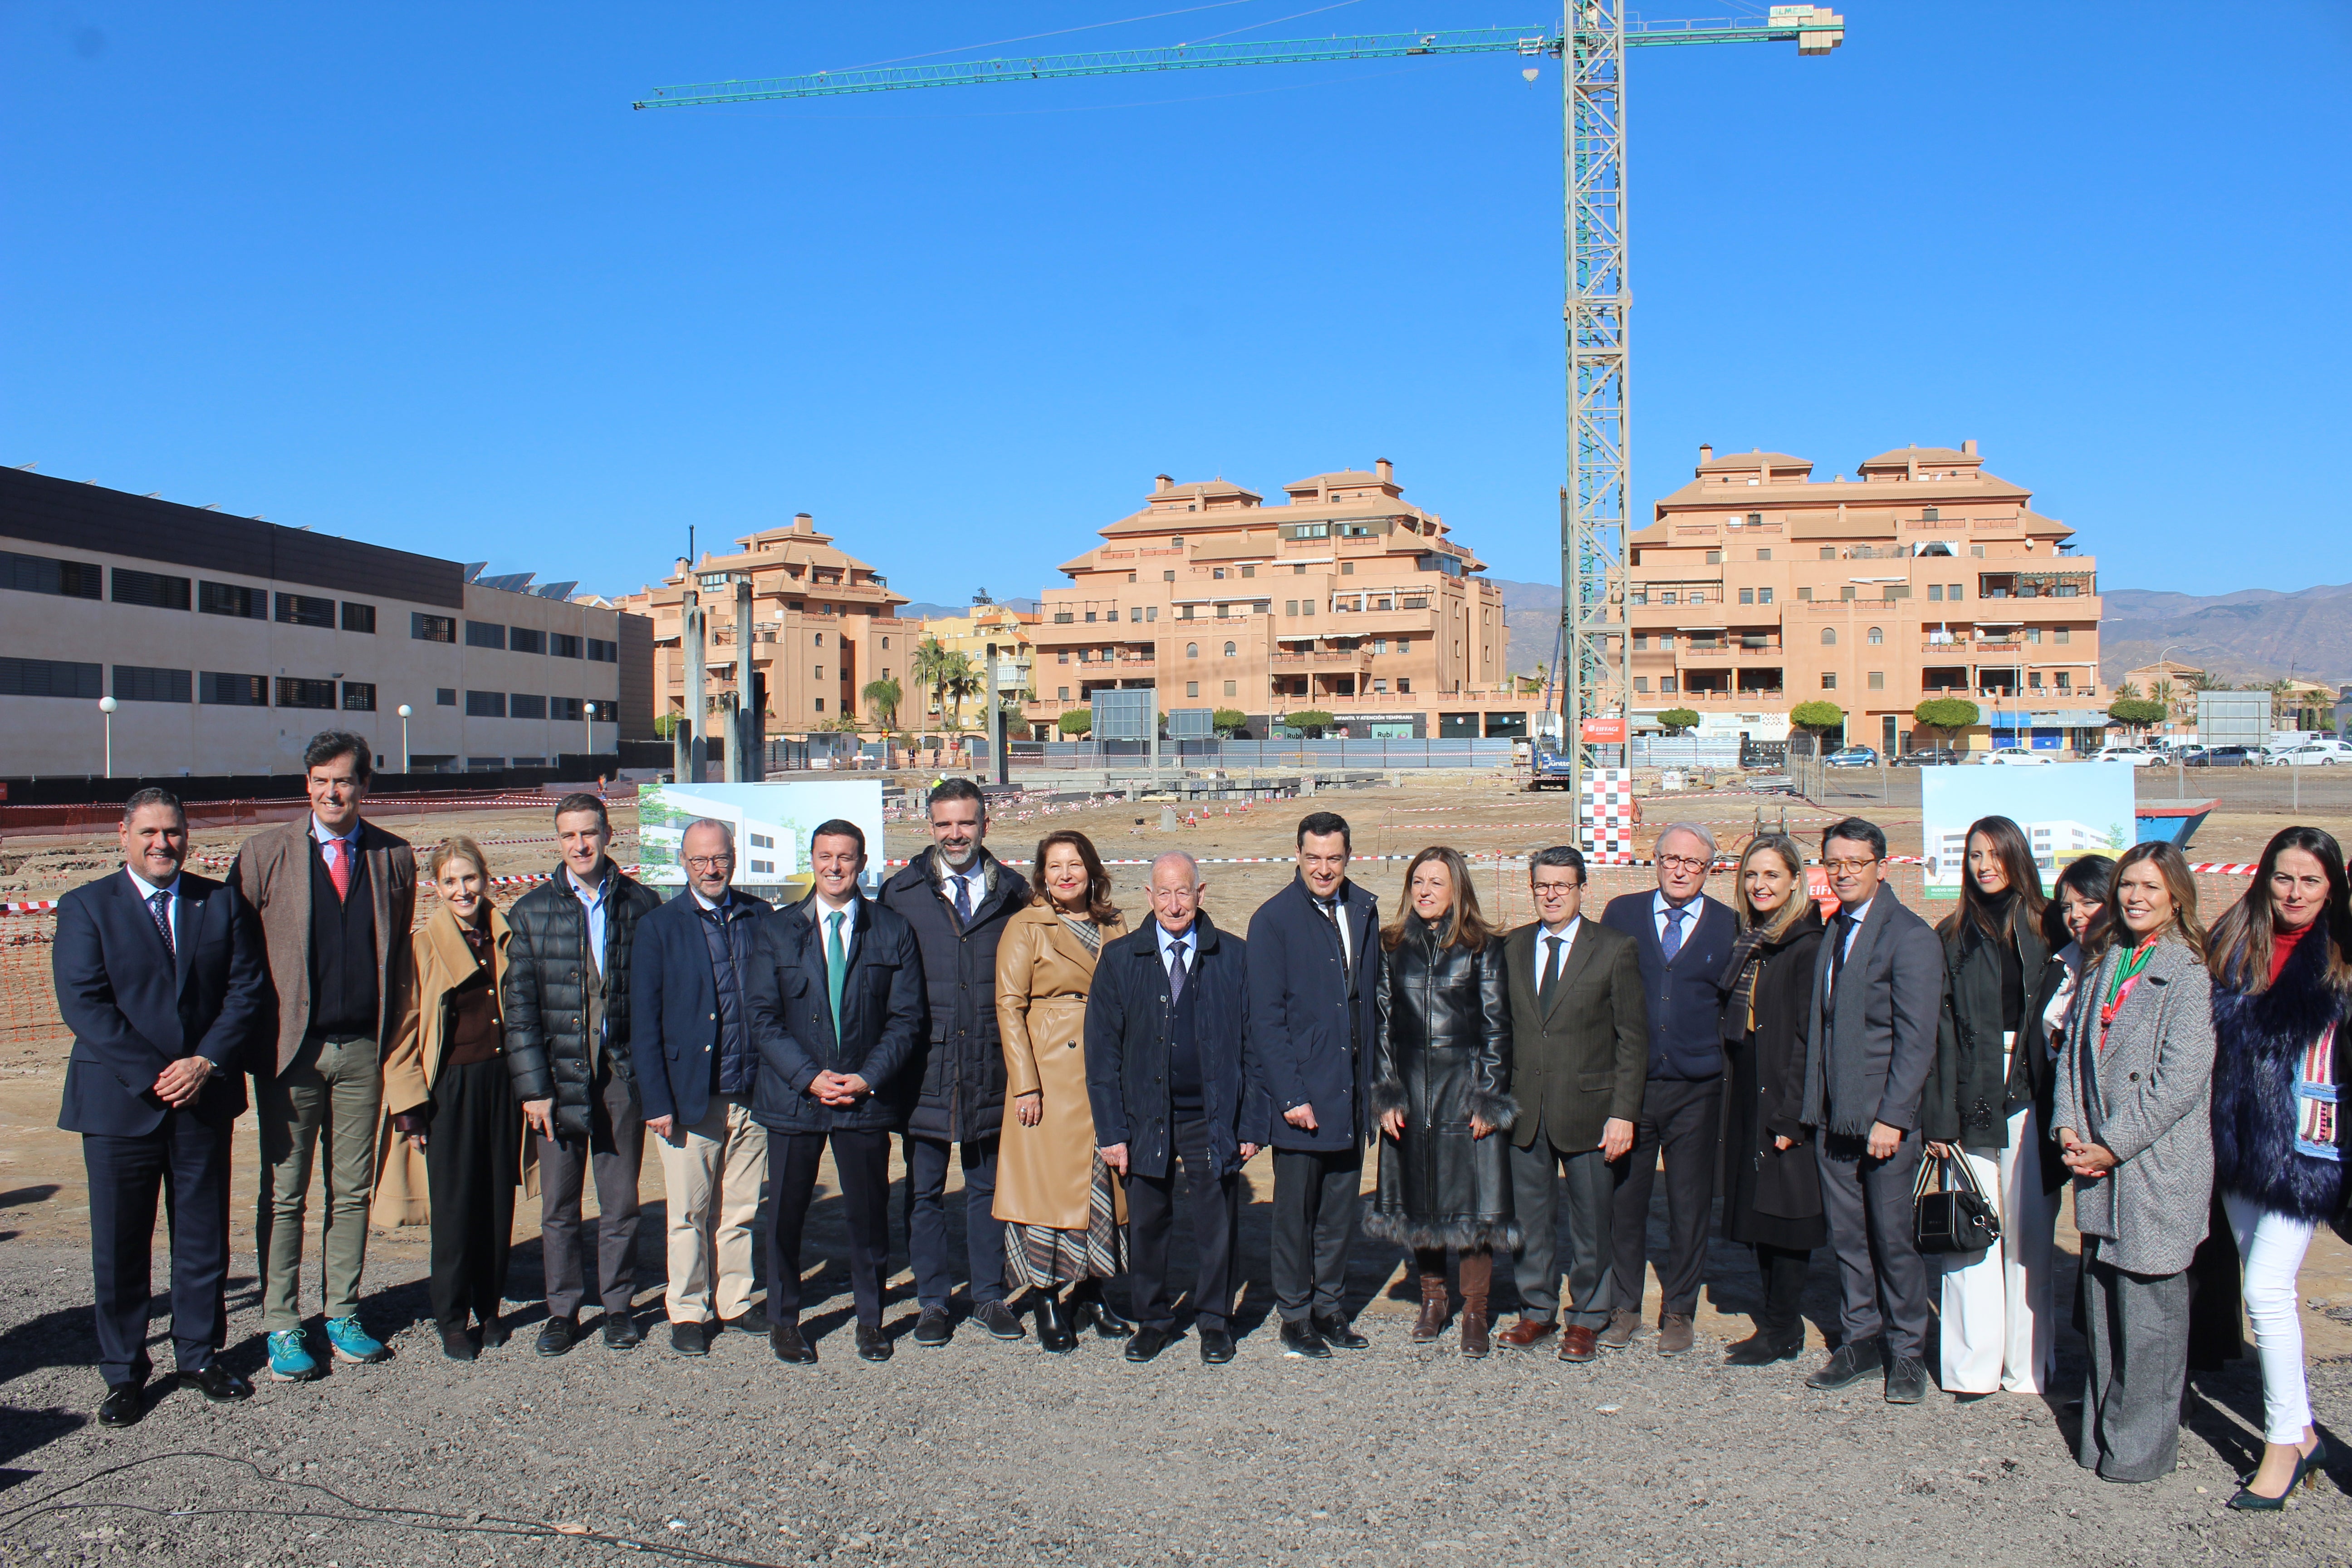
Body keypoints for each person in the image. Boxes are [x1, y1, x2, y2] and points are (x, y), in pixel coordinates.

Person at [57, 788, 267, 1426]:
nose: (162, 843)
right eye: (149, 832)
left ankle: (199, 1356)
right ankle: (124, 1372)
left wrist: (204, 1063)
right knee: (121, 1245)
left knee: (202, 1238)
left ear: (186, 837)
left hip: (202, 1096)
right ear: (123, 836)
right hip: (120, 1102)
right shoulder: (87, 906)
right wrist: (155, 1073)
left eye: (172, 832)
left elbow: (246, 989)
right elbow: (84, 1002)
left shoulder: (220, 902)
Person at [231, 730, 416, 1382]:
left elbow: (397, 952)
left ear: (365, 786)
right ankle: (282, 1322)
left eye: (343, 780)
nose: (332, 792)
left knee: (351, 1192)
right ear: (306, 785)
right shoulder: (264, 855)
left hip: (363, 1050)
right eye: (320, 781)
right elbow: (237, 954)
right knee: (285, 1195)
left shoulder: (394, 857)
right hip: (291, 1056)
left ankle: (343, 1312)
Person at [2052, 841, 2215, 1484]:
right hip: (2099, 1164)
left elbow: (2178, 1083)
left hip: (2153, 1168)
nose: (2136, 897)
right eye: (2128, 885)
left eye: (2151, 886)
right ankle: (2102, 1438)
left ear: (2176, 896)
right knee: (2104, 1312)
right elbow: (2073, 1052)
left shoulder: (2189, 974)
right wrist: (2069, 1124)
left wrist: (2112, 1144)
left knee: (2151, 1321)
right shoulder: (2109, 959)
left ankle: (2139, 1451)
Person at [2206, 827, 2351, 1508]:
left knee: (2266, 1291)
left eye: (2310, 881)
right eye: (2284, 877)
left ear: (2332, 888)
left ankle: (2280, 1447)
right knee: (2266, 1291)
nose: (2294, 893)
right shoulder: (2233, 942)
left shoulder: (2342, 957)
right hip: (2236, 1142)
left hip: (2306, 1153)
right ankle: (2303, 1432)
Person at [745, 818, 924, 1365]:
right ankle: (785, 1321)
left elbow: (907, 1018)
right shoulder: (777, 931)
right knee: (786, 1216)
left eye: (846, 857)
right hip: (795, 1099)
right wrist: (807, 1076)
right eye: (825, 856)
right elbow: (762, 1017)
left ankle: (870, 1320)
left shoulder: (891, 930)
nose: (835, 867)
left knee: (868, 1216)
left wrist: (868, 1077)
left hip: (864, 1100)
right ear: (813, 860)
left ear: (862, 863)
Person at [1087, 851, 1267, 1365]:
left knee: (1217, 1224)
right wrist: (1112, 1131)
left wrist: (1252, 1123)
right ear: (1149, 896)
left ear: (1200, 893)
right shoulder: (1120, 959)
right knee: (1148, 1223)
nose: (1173, 904)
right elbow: (1101, 1053)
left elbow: (1254, 1046)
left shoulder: (1234, 956)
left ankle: (1215, 1321)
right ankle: (1153, 1320)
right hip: (1145, 1115)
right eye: (1163, 893)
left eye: (1183, 892)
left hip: (1213, 1114)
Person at [501, 792, 662, 1357]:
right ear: (558, 840)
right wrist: (534, 1090)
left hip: (619, 1077)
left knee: (620, 1204)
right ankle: (562, 1310)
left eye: (589, 832)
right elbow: (519, 1011)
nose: (580, 845)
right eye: (569, 835)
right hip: (556, 1080)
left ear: (608, 834)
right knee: (559, 1208)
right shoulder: (530, 912)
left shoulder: (641, 905)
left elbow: (655, 997)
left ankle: (618, 1306)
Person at [878, 777, 1032, 1347]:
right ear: (930, 826)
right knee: (923, 1192)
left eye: (965, 822)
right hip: (924, 1068)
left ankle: (989, 1294)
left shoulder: (1014, 892)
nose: (955, 834)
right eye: (944, 823)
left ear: (985, 824)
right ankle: (933, 1301)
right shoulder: (901, 893)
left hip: (991, 1064)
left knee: (987, 1188)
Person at [1799, 815, 1943, 1405]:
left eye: (1856, 863)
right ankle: (1860, 1339)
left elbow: (1917, 1039)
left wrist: (1894, 1117)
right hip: (1835, 1113)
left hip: (1883, 1120)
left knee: (1892, 1239)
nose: (1843, 873)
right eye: (1834, 863)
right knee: (1848, 1236)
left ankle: (1908, 1351)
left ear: (1881, 868)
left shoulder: (1909, 937)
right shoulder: (1836, 929)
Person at [373, 836, 534, 1361]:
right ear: (436, 888)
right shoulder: (423, 946)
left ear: (485, 879)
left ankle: (490, 1307)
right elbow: (404, 1031)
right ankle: (451, 1317)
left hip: (503, 1086)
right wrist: (409, 1108)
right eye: (450, 881)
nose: (462, 890)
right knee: (455, 1208)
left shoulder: (507, 936)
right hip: (450, 1092)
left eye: (469, 878)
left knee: (497, 1202)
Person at [1923, 816, 2058, 1398]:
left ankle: (2027, 1369)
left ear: (2017, 857)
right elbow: (1937, 1032)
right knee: (1970, 1230)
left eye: (1995, 854)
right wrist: (1938, 1118)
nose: (1984, 866)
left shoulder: (2050, 926)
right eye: (1975, 855)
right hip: (1967, 1087)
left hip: (2032, 1088)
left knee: (2030, 1238)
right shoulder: (1951, 934)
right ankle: (1970, 1368)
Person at [1497, 845, 1647, 1362]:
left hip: (1591, 1112)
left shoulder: (1614, 948)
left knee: (1592, 1223)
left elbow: (1632, 1039)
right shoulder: (1512, 947)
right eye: (1543, 885)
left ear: (1583, 889)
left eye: (1562, 885)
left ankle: (1587, 1317)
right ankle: (1536, 1310)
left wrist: (1624, 1113)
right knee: (1530, 1221)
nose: (1552, 895)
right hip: (1525, 1110)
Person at [1367, 847, 1519, 1357]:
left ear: (1457, 889)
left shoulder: (1482, 947)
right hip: (1412, 1088)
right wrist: (1388, 1093)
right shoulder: (1392, 946)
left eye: (1436, 882)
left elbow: (1497, 1028)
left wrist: (1487, 1096)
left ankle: (1476, 1309)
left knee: (1472, 1206)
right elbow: (1383, 1025)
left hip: (1463, 1088)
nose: (1425, 891)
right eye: (1418, 882)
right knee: (1421, 1199)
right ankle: (1433, 1300)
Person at [631, 817, 773, 1357]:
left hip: (752, 1094)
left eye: (719, 859)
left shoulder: (760, 916)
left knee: (740, 1208)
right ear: (683, 863)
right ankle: (688, 1309)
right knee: (688, 1214)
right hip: (690, 1098)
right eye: (699, 860)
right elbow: (644, 1023)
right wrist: (657, 1101)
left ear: (734, 857)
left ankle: (734, 1300)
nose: (711, 869)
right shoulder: (659, 927)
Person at [1248, 811, 1385, 1358]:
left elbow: (1372, 1002)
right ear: (1298, 857)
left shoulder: (1364, 908)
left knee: (1337, 1214)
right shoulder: (1273, 921)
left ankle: (1330, 1308)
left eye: (1334, 858)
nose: (1324, 869)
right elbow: (1266, 1020)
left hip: (1352, 1094)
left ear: (1348, 857)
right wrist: (1291, 1095)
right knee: (1295, 1217)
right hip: (1303, 1098)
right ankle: (1295, 1314)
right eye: (1314, 858)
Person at [1598, 823, 1736, 1354]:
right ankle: (1624, 1307)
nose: (1680, 871)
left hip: (1697, 1090)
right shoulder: (1623, 914)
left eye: (1693, 863)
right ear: (1655, 861)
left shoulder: (1728, 925)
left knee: (1689, 1204)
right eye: (1671, 859)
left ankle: (1679, 1310)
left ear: (1710, 869)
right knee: (1626, 1203)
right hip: (1633, 1089)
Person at [995, 830, 1132, 1352]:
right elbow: (1009, 1007)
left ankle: (1094, 1293)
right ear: (1042, 876)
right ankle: (1047, 1299)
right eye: (1054, 867)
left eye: (1074, 864)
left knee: (1103, 1183)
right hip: (1050, 1076)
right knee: (1048, 1192)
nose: (1065, 875)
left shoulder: (1114, 922)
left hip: (1105, 1069)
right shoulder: (1025, 926)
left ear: (1092, 870)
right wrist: (1025, 1085)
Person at [1715, 833, 1828, 1367]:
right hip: (1750, 1084)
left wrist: (1794, 1114)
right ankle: (1776, 1322)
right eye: (1752, 875)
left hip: (1785, 1094)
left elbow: (1810, 1038)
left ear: (1795, 881)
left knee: (1787, 1216)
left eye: (1772, 875)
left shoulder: (1805, 945)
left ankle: (1784, 1328)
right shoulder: (1754, 939)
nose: (1759, 885)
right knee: (1761, 1212)